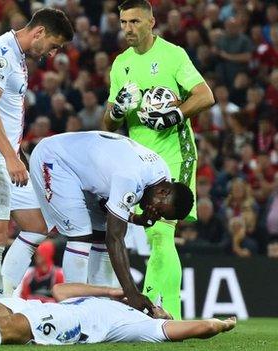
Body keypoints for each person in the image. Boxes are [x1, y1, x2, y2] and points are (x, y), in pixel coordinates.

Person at [102, 0, 215, 319]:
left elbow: (205, 95)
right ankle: (168, 316)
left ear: (151, 22)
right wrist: (118, 111)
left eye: (134, 22)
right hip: (140, 162)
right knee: (156, 235)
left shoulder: (173, 55)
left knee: (161, 234)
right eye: (123, 23)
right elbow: (107, 123)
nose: (128, 29)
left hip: (175, 154)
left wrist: (176, 113)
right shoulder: (120, 64)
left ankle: (157, 312)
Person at [0, 8, 74, 300]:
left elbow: (7, 113)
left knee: (37, 227)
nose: (52, 53)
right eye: (53, 45)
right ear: (39, 33)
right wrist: (10, 158)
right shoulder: (1, 54)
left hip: (7, 157)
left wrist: (18, 154)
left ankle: (4, 296)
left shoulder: (17, 56)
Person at [28, 131, 194, 313]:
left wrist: (137, 218)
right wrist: (132, 293)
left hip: (81, 170)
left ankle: (101, 309)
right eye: (160, 210)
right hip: (55, 159)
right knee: (81, 234)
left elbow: (109, 207)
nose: (156, 213)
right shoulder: (131, 178)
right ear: (164, 193)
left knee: (100, 231)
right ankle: (73, 309)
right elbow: (115, 239)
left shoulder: (161, 174)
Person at [0, 275, 236, 346]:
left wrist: (218, 325)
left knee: (19, 322)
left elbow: (187, 329)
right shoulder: (118, 302)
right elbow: (61, 290)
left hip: (73, 322)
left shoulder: (141, 325)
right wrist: (114, 290)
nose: (160, 309)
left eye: (164, 311)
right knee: (0, 304)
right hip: (58, 305)